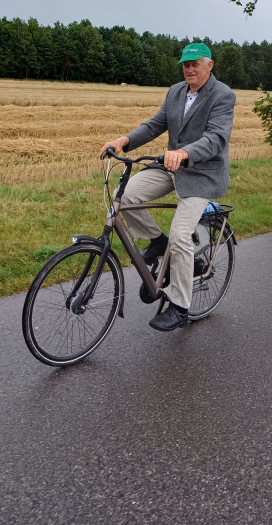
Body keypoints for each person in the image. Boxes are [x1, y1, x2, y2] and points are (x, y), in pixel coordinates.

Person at [99, 42, 236, 332]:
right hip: (171, 167)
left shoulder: (223, 95)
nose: (188, 69)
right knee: (124, 195)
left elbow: (215, 139)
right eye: (185, 64)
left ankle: (180, 306)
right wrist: (123, 141)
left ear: (209, 65)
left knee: (180, 235)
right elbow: (155, 124)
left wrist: (185, 153)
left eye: (194, 64)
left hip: (202, 174)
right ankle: (156, 241)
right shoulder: (175, 91)